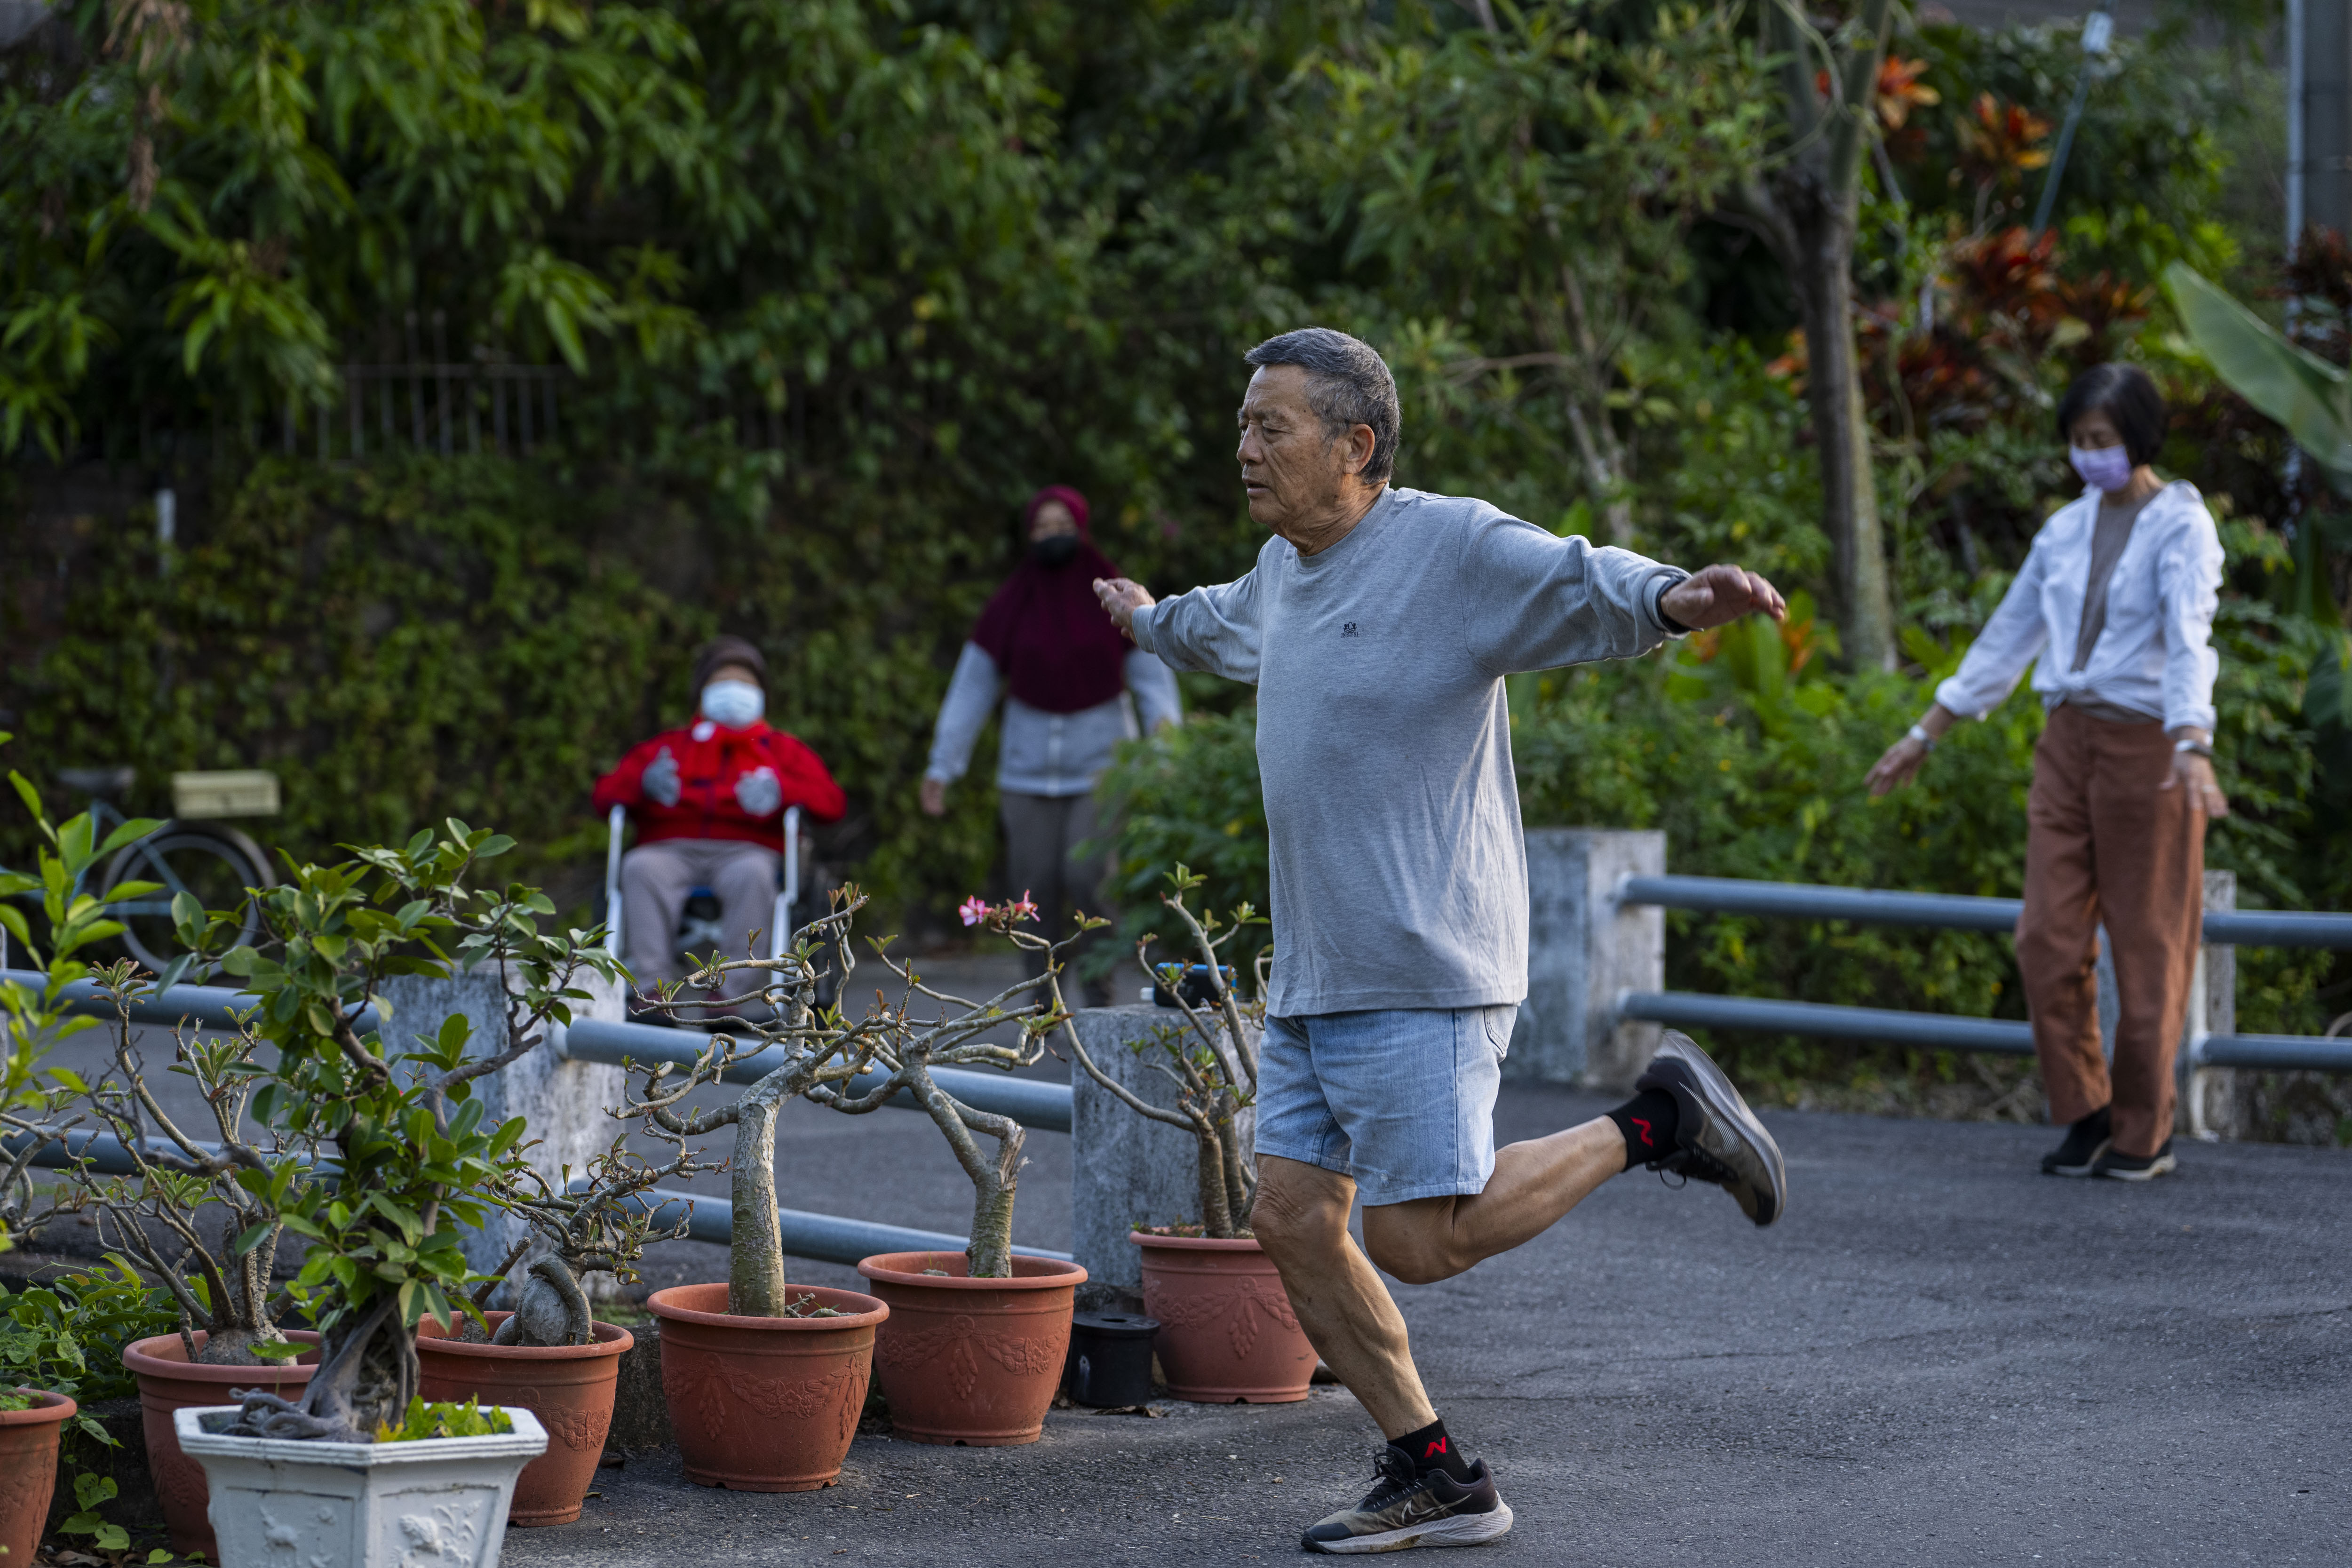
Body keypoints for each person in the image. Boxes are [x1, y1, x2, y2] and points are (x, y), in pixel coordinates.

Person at [1092, 327, 1790, 1554]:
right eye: (1246, 424)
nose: (1245, 447)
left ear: (1356, 445)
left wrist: (1672, 597)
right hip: (1321, 966)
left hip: (1424, 958)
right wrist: (1149, 625)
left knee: (1419, 1238)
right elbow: (1220, 624)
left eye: (1273, 427)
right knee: (1292, 1217)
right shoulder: (1282, 568)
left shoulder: (1447, 546)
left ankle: (1660, 1120)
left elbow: (1574, 575)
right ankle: (1436, 1471)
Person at [1865, 362, 2226, 1183]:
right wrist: (1928, 730)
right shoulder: (2065, 529)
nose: (2088, 455)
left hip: (2149, 744)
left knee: (2149, 946)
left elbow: (2190, 634)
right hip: (2066, 742)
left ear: (2140, 436)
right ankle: (2087, 1110)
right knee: (2046, 939)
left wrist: (2193, 740)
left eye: (2101, 440)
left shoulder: (2183, 525)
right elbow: (2009, 634)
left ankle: (2145, 1132)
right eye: (2077, 441)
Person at [922, 485, 1183, 1000]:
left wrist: (1165, 753)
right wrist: (941, 767)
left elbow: (1153, 681)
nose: (1051, 536)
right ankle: (1044, 1000)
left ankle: (1099, 990)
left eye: (1062, 526)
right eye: (1042, 528)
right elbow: (971, 689)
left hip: (1101, 769)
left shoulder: (1111, 596)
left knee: (1089, 880)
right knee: (1031, 892)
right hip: (1025, 775)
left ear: (1081, 530)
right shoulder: (1010, 604)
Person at [593, 635, 846, 1017]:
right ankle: (652, 991)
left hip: (747, 850)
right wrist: (642, 783)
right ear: (700, 694)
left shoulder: (782, 750)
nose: (735, 692)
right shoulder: (668, 746)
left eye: (746, 684)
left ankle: (729, 997)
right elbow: (604, 795)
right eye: (723, 682)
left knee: (753, 875)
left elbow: (832, 803)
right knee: (640, 868)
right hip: (670, 848)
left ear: (762, 694)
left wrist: (783, 788)